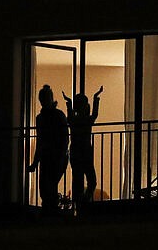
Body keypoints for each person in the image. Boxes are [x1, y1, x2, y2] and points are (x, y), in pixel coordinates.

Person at [27, 85, 69, 214]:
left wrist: (61, 155)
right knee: (47, 188)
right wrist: (35, 162)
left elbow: (63, 139)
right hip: (50, 156)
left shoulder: (47, 117)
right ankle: (50, 211)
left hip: (54, 156)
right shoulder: (52, 116)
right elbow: (41, 141)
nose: (43, 102)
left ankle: (49, 212)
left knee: (48, 187)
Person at [62, 86, 103, 214]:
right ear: (85, 106)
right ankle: (84, 203)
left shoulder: (73, 120)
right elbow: (95, 114)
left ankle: (78, 205)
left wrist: (68, 103)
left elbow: (70, 114)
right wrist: (96, 98)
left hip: (74, 154)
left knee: (77, 181)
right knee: (91, 181)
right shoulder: (87, 120)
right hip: (85, 153)